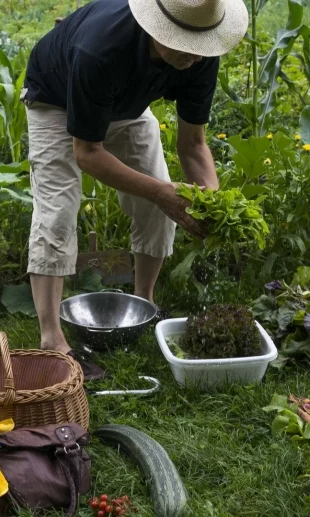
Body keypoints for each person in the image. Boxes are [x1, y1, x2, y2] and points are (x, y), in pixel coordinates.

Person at [21, 0, 247, 379]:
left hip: (127, 108)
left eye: (199, 46)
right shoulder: (101, 49)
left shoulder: (201, 54)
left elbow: (193, 144)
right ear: (156, 29)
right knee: (57, 210)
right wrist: (161, 191)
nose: (193, 56)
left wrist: (212, 201)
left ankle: (144, 303)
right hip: (55, 101)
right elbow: (87, 153)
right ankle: (52, 340)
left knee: (163, 204)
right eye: (183, 44)